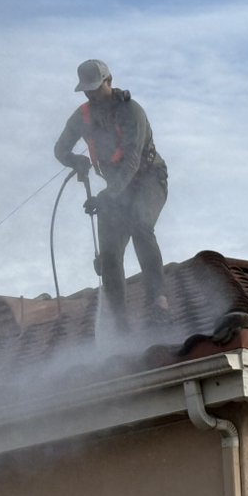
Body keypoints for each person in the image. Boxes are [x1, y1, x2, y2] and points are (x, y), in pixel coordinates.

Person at [54, 59, 170, 329]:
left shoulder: (131, 112)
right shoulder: (81, 117)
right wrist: (76, 161)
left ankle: (159, 304)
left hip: (149, 179)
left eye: (95, 88)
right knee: (108, 254)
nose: (91, 94)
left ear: (109, 81)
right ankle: (121, 326)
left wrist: (108, 195)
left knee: (141, 225)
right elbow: (60, 150)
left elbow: (131, 162)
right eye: (86, 90)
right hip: (115, 189)